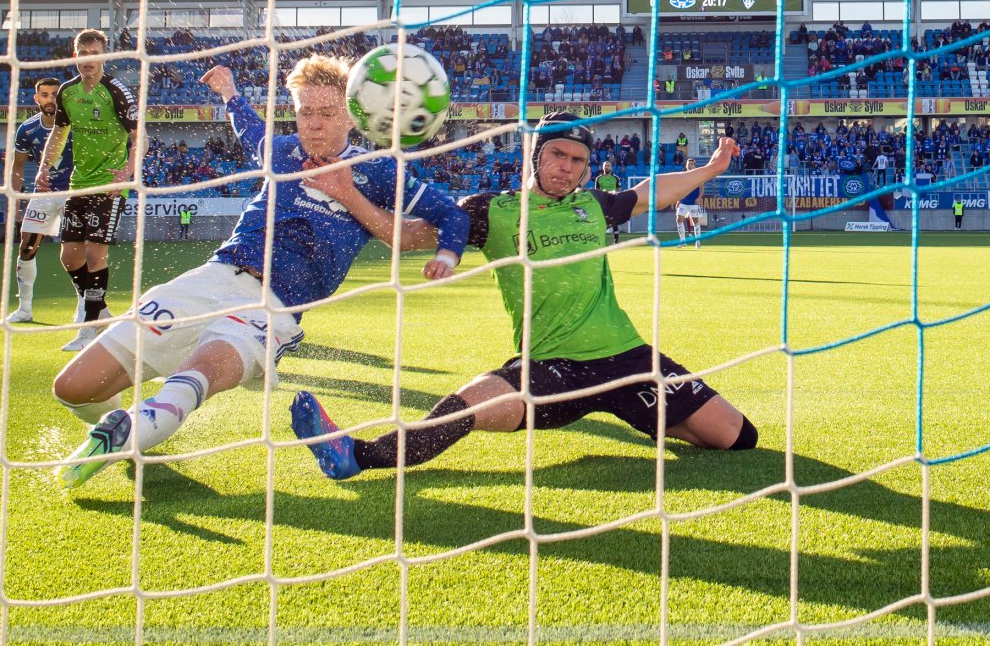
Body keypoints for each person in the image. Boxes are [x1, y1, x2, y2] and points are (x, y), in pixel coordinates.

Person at [50, 56, 470, 488]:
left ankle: (134, 426)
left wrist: (447, 255)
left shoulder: (376, 169)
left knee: (195, 377)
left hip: (273, 308)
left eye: (326, 113)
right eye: (306, 112)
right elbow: (249, 127)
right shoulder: (283, 152)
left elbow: (452, 216)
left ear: (352, 115)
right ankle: (116, 429)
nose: (314, 124)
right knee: (72, 387)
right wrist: (230, 91)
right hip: (212, 278)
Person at [290, 115, 756, 481]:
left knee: (738, 438)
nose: (566, 167)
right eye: (557, 154)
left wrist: (711, 169)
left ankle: (636, 408)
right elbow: (408, 236)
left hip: (629, 360)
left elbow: (649, 193)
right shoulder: (492, 209)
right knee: (471, 404)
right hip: (553, 366)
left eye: (577, 160)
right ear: (534, 156)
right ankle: (357, 455)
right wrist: (349, 195)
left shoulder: (594, 205)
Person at [36, 29, 140, 351]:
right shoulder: (67, 92)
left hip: (110, 185)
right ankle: (103, 311)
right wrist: (44, 167)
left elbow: (141, 137)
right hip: (79, 184)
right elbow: (59, 134)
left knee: (96, 255)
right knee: (69, 257)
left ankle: (88, 331)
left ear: (103, 57)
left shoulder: (117, 91)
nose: (88, 61)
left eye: (94, 54)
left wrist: (127, 171)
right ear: (76, 55)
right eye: (83, 54)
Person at [6, 77, 75, 323]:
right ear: (37, 98)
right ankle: (24, 309)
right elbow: (17, 167)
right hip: (43, 193)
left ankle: (83, 309)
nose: (50, 99)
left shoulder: (75, 124)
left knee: (75, 252)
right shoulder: (27, 129)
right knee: (26, 248)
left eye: (55, 94)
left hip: (73, 192)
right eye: (44, 95)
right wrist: (15, 202)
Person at [675, 158, 705, 248]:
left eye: (692, 164)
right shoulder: (683, 176)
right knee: (679, 219)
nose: (690, 165)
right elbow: (680, 189)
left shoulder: (697, 176)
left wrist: (699, 198)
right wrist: (678, 200)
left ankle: (698, 242)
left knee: (695, 222)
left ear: (694, 166)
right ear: (686, 165)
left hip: (693, 203)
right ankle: (683, 241)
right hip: (684, 201)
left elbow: (702, 188)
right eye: (689, 164)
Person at [593, 160, 623, 244]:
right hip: (603, 202)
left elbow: (620, 190)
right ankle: (598, 242)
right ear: (603, 167)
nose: (607, 167)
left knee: (614, 222)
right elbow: (597, 191)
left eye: (608, 165)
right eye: (605, 165)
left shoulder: (616, 178)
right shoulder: (598, 178)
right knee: (601, 221)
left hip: (613, 202)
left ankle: (616, 242)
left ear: (611, 167)